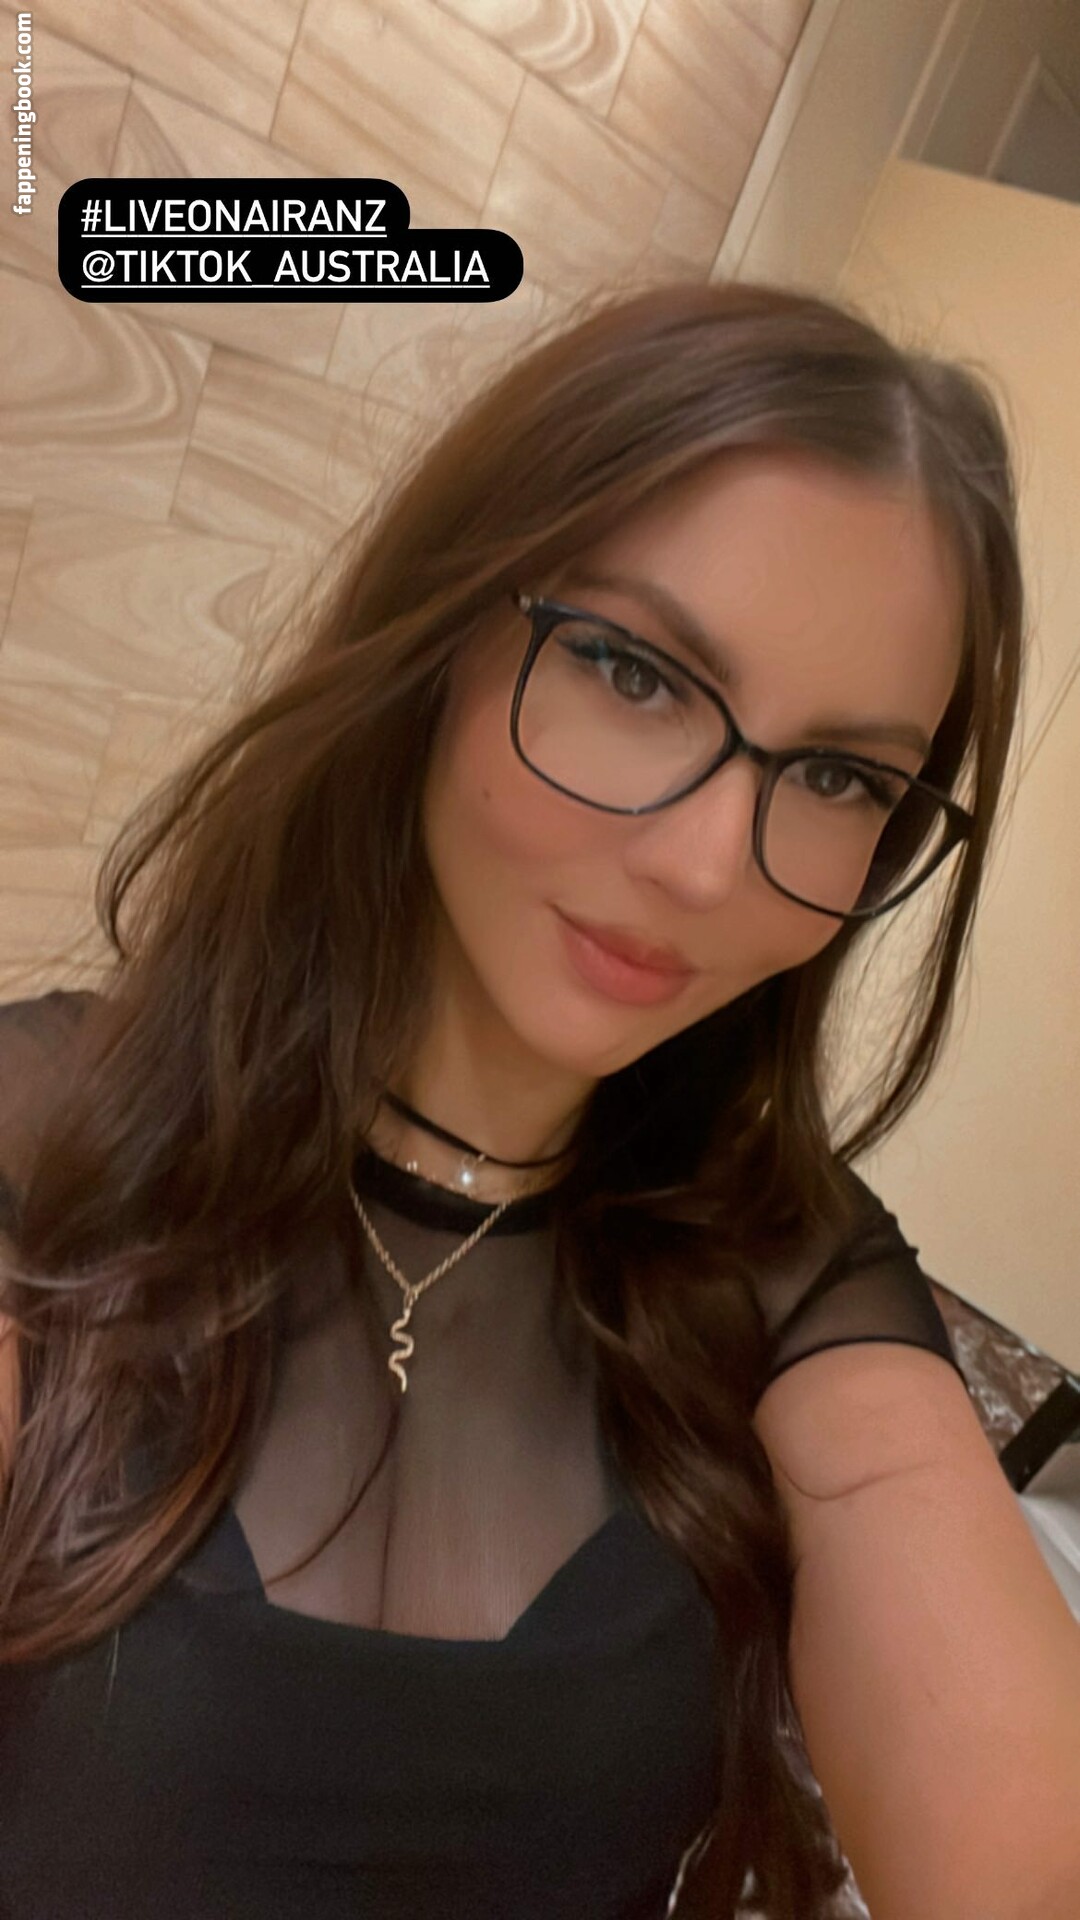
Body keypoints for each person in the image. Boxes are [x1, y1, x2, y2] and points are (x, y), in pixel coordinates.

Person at [0, 279, 1077, 1920]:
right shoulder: (42, 1141)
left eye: (839, 776)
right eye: (635, 673)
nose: (707, 864)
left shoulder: (791, 1277)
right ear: (446, 630)